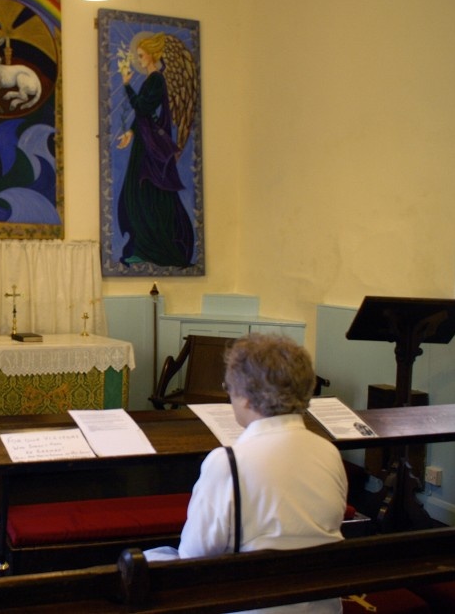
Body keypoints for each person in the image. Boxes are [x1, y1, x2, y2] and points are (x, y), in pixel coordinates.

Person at [146, 333, 348, 614]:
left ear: (247, 398)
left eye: (229, 387)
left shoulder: (227, 462)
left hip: (252, 606)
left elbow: (194, 556)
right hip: (321, 605)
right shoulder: (328, 452)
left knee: (147, 562)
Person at [116, 32, 195, 268]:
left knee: (146, 196)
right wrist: (130, 132)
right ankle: (142, 247)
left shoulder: (156, 80)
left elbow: (142, 107)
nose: (139, 60)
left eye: (141, 55)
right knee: (137, 195)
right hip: (144, 143)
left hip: (151, 150)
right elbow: (144, 115)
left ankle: (154, 248)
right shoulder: (151, 80)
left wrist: (127, 85)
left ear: (151, 54)